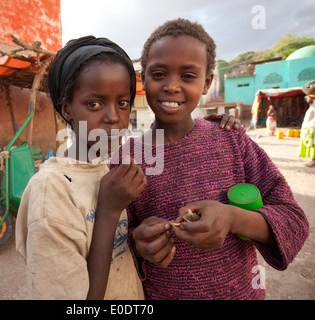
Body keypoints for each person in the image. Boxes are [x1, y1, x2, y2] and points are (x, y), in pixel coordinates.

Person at [15, 36, 240, 300]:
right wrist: (110, 211)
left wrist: (136, 240)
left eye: (122, 103)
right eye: (94, 104)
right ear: (67, 109)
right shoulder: (51, 191)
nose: (113, 117)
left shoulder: (107, 166)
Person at [120, 18, 309, 300]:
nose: (172, 86)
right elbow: (114, 236)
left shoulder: (232, 140)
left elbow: (293, 219)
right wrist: (135, 243)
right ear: (143, 80)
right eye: (159, 74)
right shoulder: (126, 160)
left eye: (187, 76)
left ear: (207, 82)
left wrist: (233, 218)